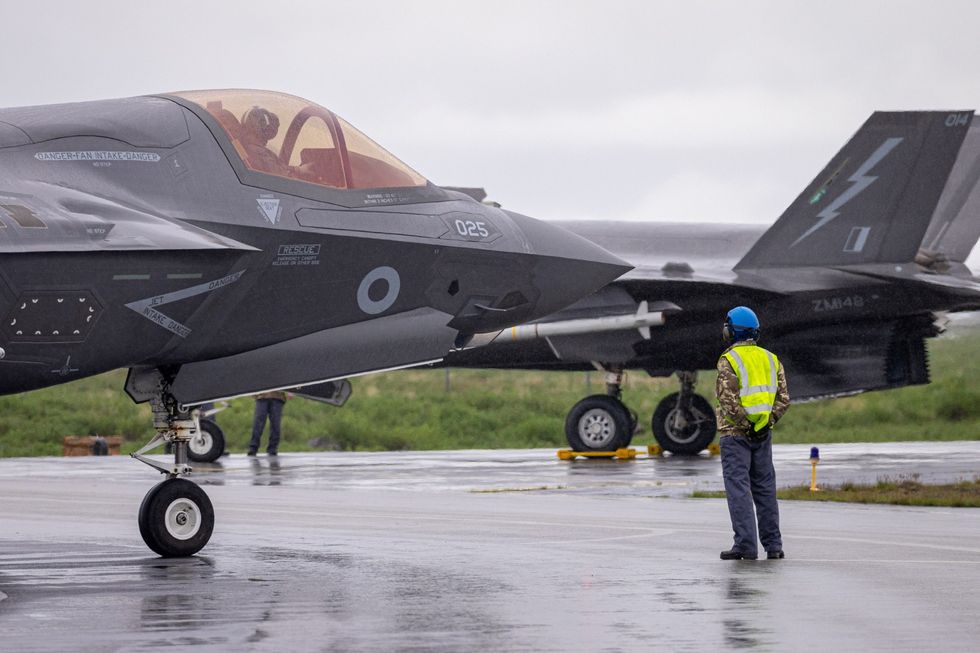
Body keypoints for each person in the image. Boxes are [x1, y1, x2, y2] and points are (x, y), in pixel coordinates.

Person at [716, 306, 790, 560]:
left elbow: (728, 401)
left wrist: (746, 425)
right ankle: (774, 546)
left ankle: (746, 545)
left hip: (735, 435)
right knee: (765, 489)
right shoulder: (771, 359)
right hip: (763, 434)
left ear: (731, 330)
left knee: (739, 489)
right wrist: (765, 423)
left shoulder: (730, 360)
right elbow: (784, 399)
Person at [248, 391, 289, 456]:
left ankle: (272, 448)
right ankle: (253, 448)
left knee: (275, 424)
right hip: (262, 396)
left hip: (277, 397)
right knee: (258, 423)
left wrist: (290, 392)